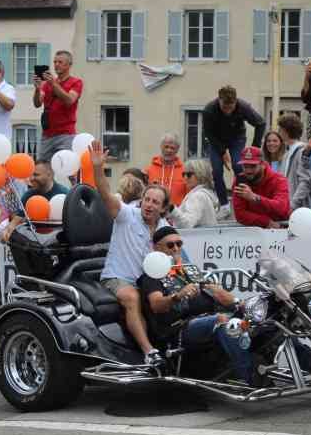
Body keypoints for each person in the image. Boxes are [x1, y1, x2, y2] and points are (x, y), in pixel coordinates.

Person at [91, 140, 170, 368]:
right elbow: (105, 194)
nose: (149, 205)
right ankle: (149, 353)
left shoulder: (164, 226)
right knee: (132, 297)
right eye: (147, 199)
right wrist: (98, 167)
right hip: (117, 278)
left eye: (156, 202)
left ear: (163, 208)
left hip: (147, 282)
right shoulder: (127, 214)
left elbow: (175, 256)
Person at [137, 227, 254, 381]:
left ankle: (276, 369)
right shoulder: (152, 276)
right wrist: (178, 296)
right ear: (157, 248)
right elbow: (157, 305)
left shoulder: (189, 271)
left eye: (179, 244)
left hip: (208, 319)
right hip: (179, 328)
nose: (176, 248)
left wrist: (241, 303)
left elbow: (218, 293)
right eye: (170, 245)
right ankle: (249, 379)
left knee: (260, 319)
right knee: (223, 321)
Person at [202, 85, 266, 218]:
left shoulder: (243, 107)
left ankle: (245, 201)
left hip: (236, 138)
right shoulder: (209, 110)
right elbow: (208, 133)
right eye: (225, 107)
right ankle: (224, 205)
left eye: (231, 107)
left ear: (235, 102)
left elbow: (260, 123)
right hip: (216, 140)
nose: (228, 111)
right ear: (219, 100)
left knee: (239, 166)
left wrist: (254, 147)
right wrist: (222, 152)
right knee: (217, 171)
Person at [33, 50, 83, 161]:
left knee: (65, 167)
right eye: (55, 62)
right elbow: (37, 103)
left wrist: (53, 84)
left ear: (69, 64)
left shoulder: (76, 82)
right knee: (43, 167)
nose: (56, 65)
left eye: (60, 62)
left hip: (66, 134)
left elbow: (69, 100)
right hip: (47, 135)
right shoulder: (46, 84)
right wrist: (37, 89)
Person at [232, 146, 290, 229]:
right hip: (255, 233)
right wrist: (266, 222)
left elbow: (281, 208)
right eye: (245, 166)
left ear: (262, 164)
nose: (248, 171)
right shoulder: (240, 181)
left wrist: (255, 198)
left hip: (281, 231)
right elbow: (240, 214)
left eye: (253, 166)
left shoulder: (279, 180)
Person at [277, 113, 311, 210]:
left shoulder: (303, 152)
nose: (278, 132)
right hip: (287, 206)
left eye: (280, 129)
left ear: (285, 131)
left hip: (299, 210)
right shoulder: (287, 153)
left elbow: (305, 181)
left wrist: (292, 205)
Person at [168, 159, 219, 229]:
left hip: (197, 239)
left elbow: (187, 224)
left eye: (189, 175)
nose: (185, 177)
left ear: (200, 174)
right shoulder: (204, 194)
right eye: (183, 174)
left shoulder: (198, 196)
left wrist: (172, 209)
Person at [145, 132, 187, 207]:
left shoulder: (184, 171)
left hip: (177, 215)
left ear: (177, 150)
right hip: (154, 215)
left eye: (172, 148)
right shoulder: (149, 170)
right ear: (161, 147)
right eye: (166, 147)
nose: (169, 150)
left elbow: (189, 196)